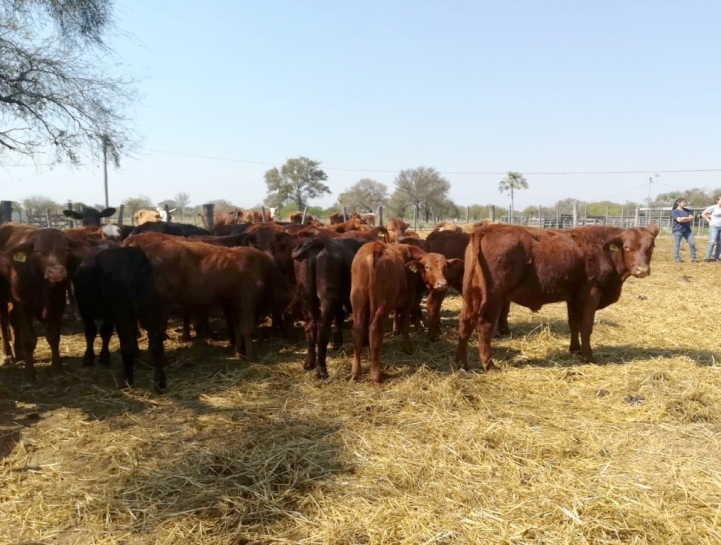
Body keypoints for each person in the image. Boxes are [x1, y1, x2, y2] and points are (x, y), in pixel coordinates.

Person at [670, 198, 697, 263]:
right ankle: (677, 259)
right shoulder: (674, 211)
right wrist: (687, 218)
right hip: (678, 230)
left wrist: (684, 218)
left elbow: (692, 218)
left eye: (685, 202)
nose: (685, 203)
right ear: (678, 203)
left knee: (692, 243)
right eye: (683, 202)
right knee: (677, 244)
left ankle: (693, 258)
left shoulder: (687, 210)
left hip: (687, 230)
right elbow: (679, 220)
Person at [701, 195, 721, 262]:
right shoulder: (713, 208)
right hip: (714, 226)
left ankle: (716, 257)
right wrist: (709, 221)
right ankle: (707, 257)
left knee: (719, 243)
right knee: (712, 242)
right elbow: (703, 214)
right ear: (717, 201)